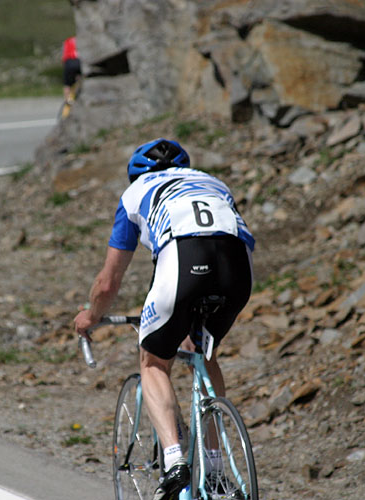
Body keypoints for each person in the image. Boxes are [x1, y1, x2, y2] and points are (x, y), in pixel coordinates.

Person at [74, 138, 255, 500]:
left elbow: (109, 282)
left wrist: (91, 316)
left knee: (154, 361)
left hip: (184, 256)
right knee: (204, 352)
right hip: (237, 265)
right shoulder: (212, 182)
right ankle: (217, 469)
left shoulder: (134, 194)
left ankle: (174, 461)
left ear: (135, 174)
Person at [61, 36, 81, 103]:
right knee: (79, 79)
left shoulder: (67, 41)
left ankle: (67, 100)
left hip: (69, 61)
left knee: (67, 84)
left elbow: (64, 55)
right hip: (78, 60)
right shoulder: (79, 40)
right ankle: (77, 96)